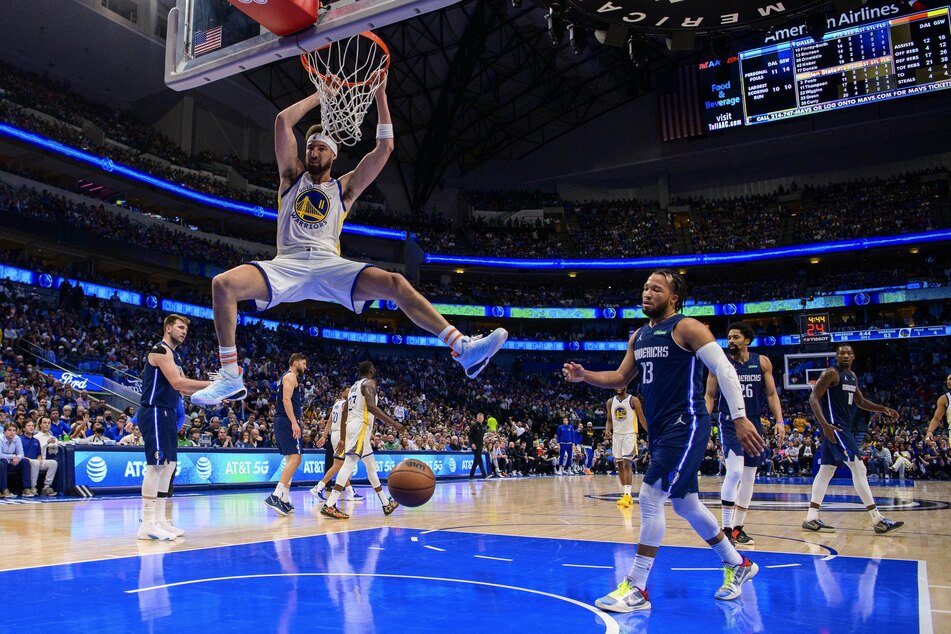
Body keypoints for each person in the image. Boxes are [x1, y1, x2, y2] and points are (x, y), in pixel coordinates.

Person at [189, 81, 507, 406]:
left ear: (333, 154)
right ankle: (230, 375)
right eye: (310, 146)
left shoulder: (345, 189)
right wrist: (320, 96)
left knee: (396, 283)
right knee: (223, 284)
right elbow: (283, 121)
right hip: (288, 262)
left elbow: (384, 149)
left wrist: (381, 95)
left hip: (330, 264)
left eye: (320, 147)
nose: (312, 151)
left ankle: (462, 348)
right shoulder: (290, 178)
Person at [564, 270, 764, 612]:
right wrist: (586, 376)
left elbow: (724, 370)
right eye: (644, 287)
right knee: (685, 503)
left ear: (673, 297)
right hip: (660, 430)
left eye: (656, 288)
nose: (647, 292)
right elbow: (620, 377)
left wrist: (741, 416)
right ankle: (737, 564)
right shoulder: (639, 335)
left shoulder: (687, 327)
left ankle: (638, 588)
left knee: (652, 496)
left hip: (685, 424)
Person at [801, 344, 904, 535]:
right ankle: (878, 519)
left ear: (854, 356)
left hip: (841, 428)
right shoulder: (831, 373)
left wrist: (883, 409)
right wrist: (824, 425)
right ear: (836, 356)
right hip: (835, 428)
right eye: (842, 353)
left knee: (826, 471)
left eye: (849, 353)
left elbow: (860, 401)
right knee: (859, 467)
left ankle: (811, 517)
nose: (845, 356)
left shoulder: (852, 377)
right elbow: (813, 397)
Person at [704, 321, 784, 547]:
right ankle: (726, 528)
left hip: (754, 421)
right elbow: (710, 396)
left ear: (747, 340)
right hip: (729, 421)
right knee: (735, 471)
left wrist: (779, 421)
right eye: (728, 337)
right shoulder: (719, 363)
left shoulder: (762, 362)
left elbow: (771, 394)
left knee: (749, 476)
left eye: (736, 337)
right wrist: (704, 422)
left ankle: (738, 528)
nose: (730, 341)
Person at [137, 314, 210, 541]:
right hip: (155, 410)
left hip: (168, 412)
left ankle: (159, 519)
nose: (184, 332)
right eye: (180, 327)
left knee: (169, 466)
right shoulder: (160, 351)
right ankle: (147, 523)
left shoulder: (175, 356)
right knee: (156, 466)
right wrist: (215, 384)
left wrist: (217, 394)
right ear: (168, 328)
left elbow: (186, 390)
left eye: (185, 329)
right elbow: (179, 383)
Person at [320, 362, 404, 519]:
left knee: (371, 467)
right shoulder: (370, 383)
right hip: (360, 428)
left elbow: (345, 412)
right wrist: (394, 423)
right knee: (349, 463)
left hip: (354, 427)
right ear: (371, 370)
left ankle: (385, 503)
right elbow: (371, 407)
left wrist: (344, 438)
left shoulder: (353, 387)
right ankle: (330, 504)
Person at [265, 353, 309, 515]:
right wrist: (294, 422)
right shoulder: (291, 376)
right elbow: (286, 400)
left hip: (282, 420)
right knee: (296, 458)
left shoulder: (286, 376)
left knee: (291, 459)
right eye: (303, 363)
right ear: (295, 362)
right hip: (286, 420)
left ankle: (284, 498)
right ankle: (276, 495)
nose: (305, 367)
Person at [311, 388, 361, 502]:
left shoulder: (337, 404)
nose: (350, 392)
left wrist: (324, 436)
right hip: (341, 435)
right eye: (348, 391)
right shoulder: (346, 405)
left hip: (335, 434)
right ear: (343, 393)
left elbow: (329, 421)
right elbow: (343, 422)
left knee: (343, 464)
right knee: (338, 465)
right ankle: (318, 488)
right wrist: (343, 438)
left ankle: (350, 491)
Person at [605, 386, 644, 509]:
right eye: (616, 384)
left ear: (626, 385)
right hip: (617, 436)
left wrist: (650, 432)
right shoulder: (610, 402)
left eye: (621, 384)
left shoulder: (633, 400)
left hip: (629, 434)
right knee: (620, 465)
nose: (619, 387)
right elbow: (609, 420)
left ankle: (627, 494)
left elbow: (642, 418)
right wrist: (607, 430)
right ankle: (625, 494)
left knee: (627, 463)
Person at [20, 420, 57, 496]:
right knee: (35, 462)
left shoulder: (36, 440)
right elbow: (19, 454)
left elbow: (39, 454)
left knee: (53, 463)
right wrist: (35, 460)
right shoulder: (20, 439)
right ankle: (33, 487)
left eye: (32, 426)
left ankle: (46, 487)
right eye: (29, 426)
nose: (31, 427)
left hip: (36, 461)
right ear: (24, 428)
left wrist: (39, 459)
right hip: (25, 461)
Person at [1, 421, 32, 497]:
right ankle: (3, 489)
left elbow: (21, 454)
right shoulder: (0, 439)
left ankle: (26, 488)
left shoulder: (17, 438)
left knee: (25, 461)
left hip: (12, 463)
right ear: (4, 431)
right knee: (3, 462)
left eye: (14, 430)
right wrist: (12, 456)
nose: (12, 432)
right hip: (2, 463)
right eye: (9, 430)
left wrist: (17, 457)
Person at [925, 373, 951, 441]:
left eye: (950, 379)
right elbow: (936, 418)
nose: (948, 381)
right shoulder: (944, 399)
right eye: (947, 380)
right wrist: (929, 431)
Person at [468, 413, 488, 479]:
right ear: (477, 418)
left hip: (480, 446)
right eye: (479, 418)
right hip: (474, 446)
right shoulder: (473, 426)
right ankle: (484, 475)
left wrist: (482, 446)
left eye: (481, 418)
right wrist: (472, 444)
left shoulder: (482, 427)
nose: (480, 419)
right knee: (479, 460)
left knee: (476, 462)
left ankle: (471, 475)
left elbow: (481, 438)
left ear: (483, 419)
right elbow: (470, 436)